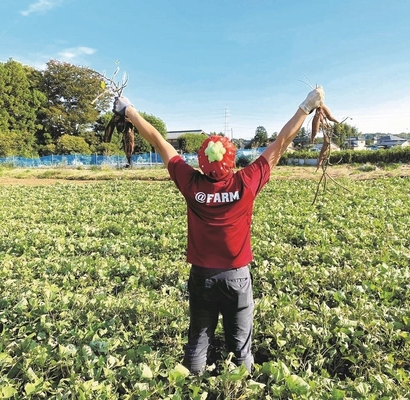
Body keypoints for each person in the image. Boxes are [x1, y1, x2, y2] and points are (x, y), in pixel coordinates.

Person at [112, 85, 325, 374]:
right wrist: (306, 106)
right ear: (232, 161)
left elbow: (160, 142)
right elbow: (281, 143)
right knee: (240, 347)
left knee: (198, 342)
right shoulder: (246, 182)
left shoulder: (191, 184)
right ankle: (240, 387)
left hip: (202, 277)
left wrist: (129, 111)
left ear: (201, 162)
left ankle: (190, 388)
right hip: (237, 277)